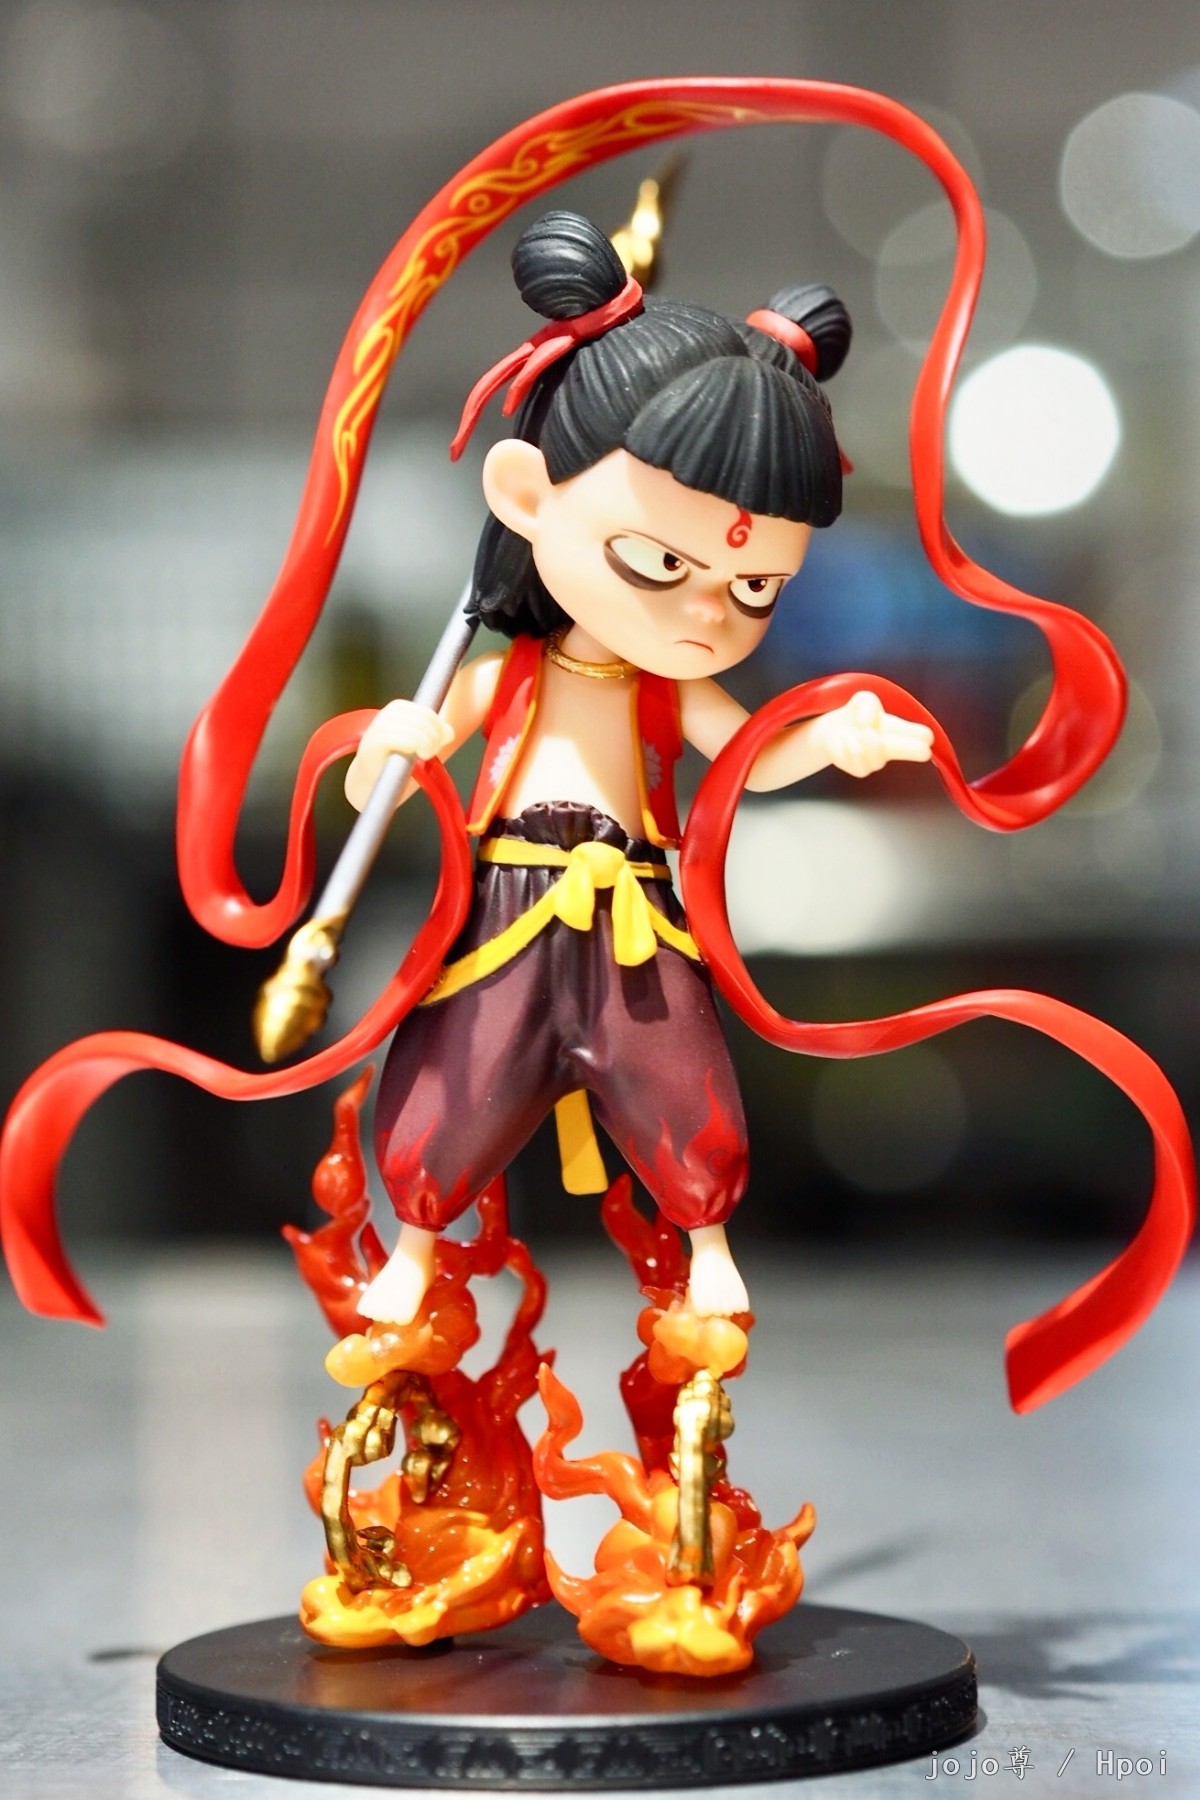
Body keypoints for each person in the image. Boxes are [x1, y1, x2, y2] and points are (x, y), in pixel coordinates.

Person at [343, 209, 933, 1329]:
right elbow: (383, 779)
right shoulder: (506, 677)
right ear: (527, 498)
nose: (706, 614)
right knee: (458, 1076)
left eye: (752, 588)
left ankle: (706, 1242)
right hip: (511, 900)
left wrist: (835, 738)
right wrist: (388, 749)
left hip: (635, 914)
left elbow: (754, 759)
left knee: (679, 1080)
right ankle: (415, 1249)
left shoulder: (672, 692)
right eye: (659, 562)